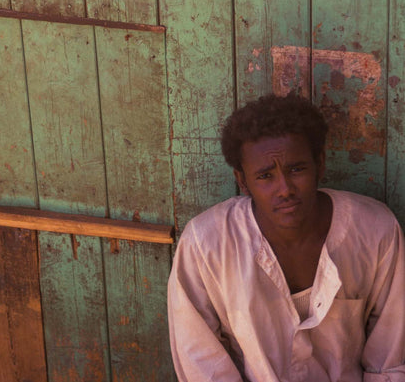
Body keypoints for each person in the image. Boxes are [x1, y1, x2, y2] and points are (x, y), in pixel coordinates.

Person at [167, 93, 405, 381]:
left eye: (297, 169)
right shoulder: (206, 244)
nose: (285, 189)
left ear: (320, 164)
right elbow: (200, 361)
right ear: (243, 181)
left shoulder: (375, 230)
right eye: (265, 176)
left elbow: (390, 357)